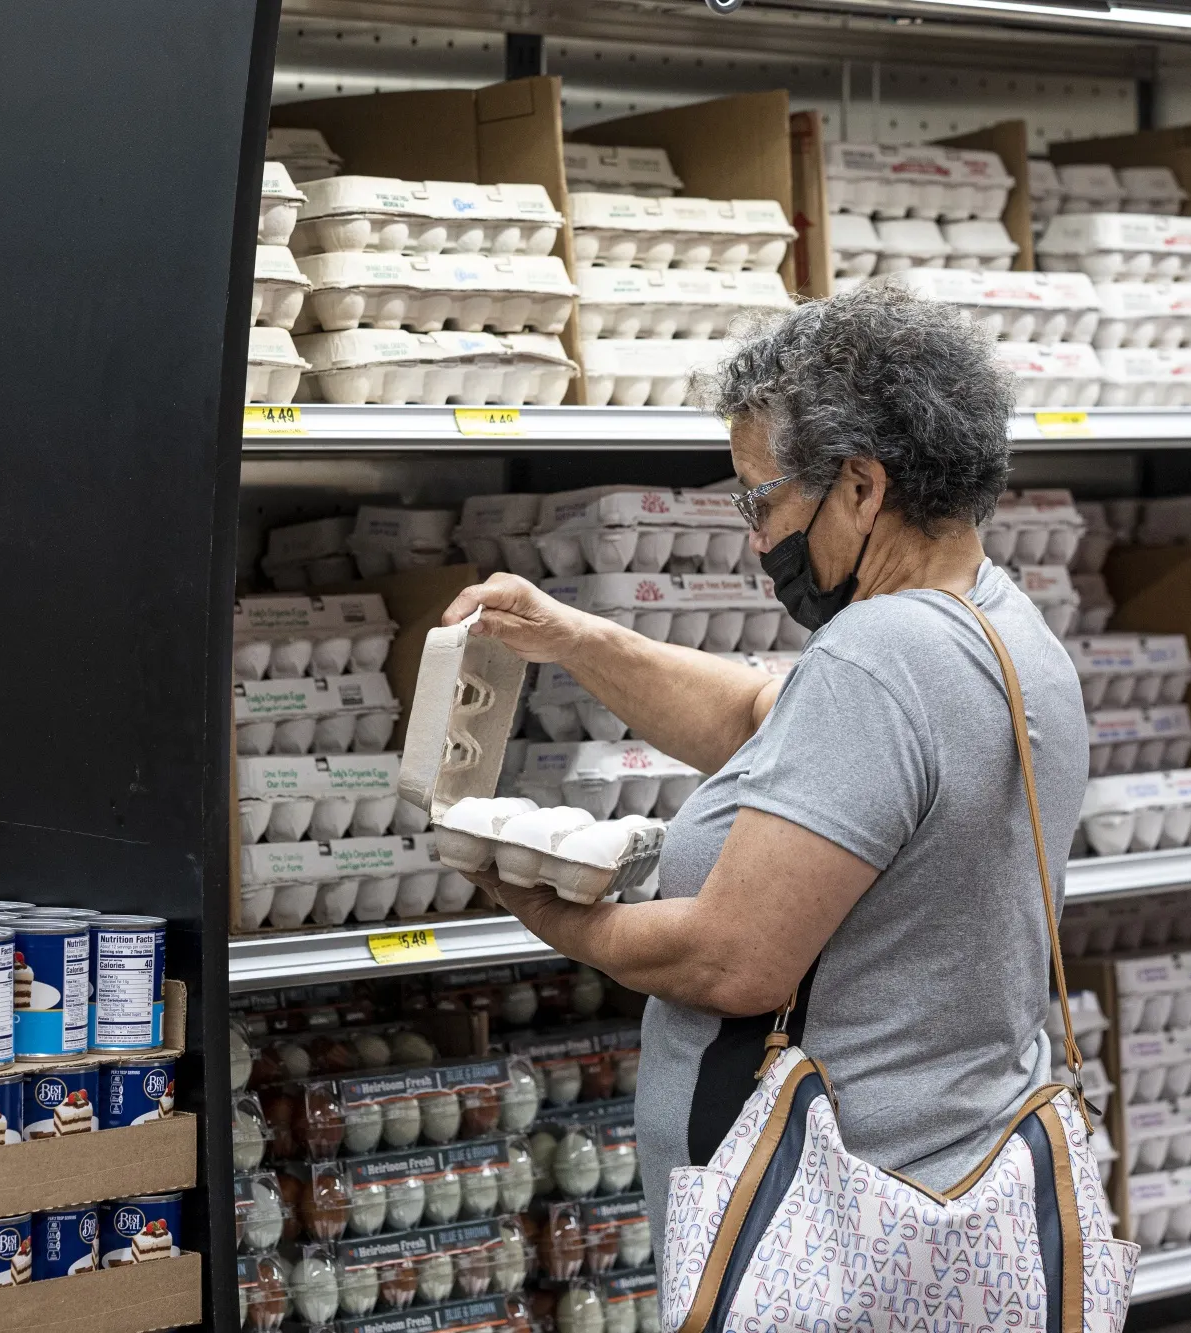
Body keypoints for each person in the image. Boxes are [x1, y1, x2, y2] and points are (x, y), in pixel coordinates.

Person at [440, 284, 1089, 1243]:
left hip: (827, 1231)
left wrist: (549, 905)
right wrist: (573, 638)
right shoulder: (1001, 625)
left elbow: (731, 958)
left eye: (763, 499)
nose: (755, 540)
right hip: (950, 1188)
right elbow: (760, 716)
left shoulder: (882, 656)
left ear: (863, 488)